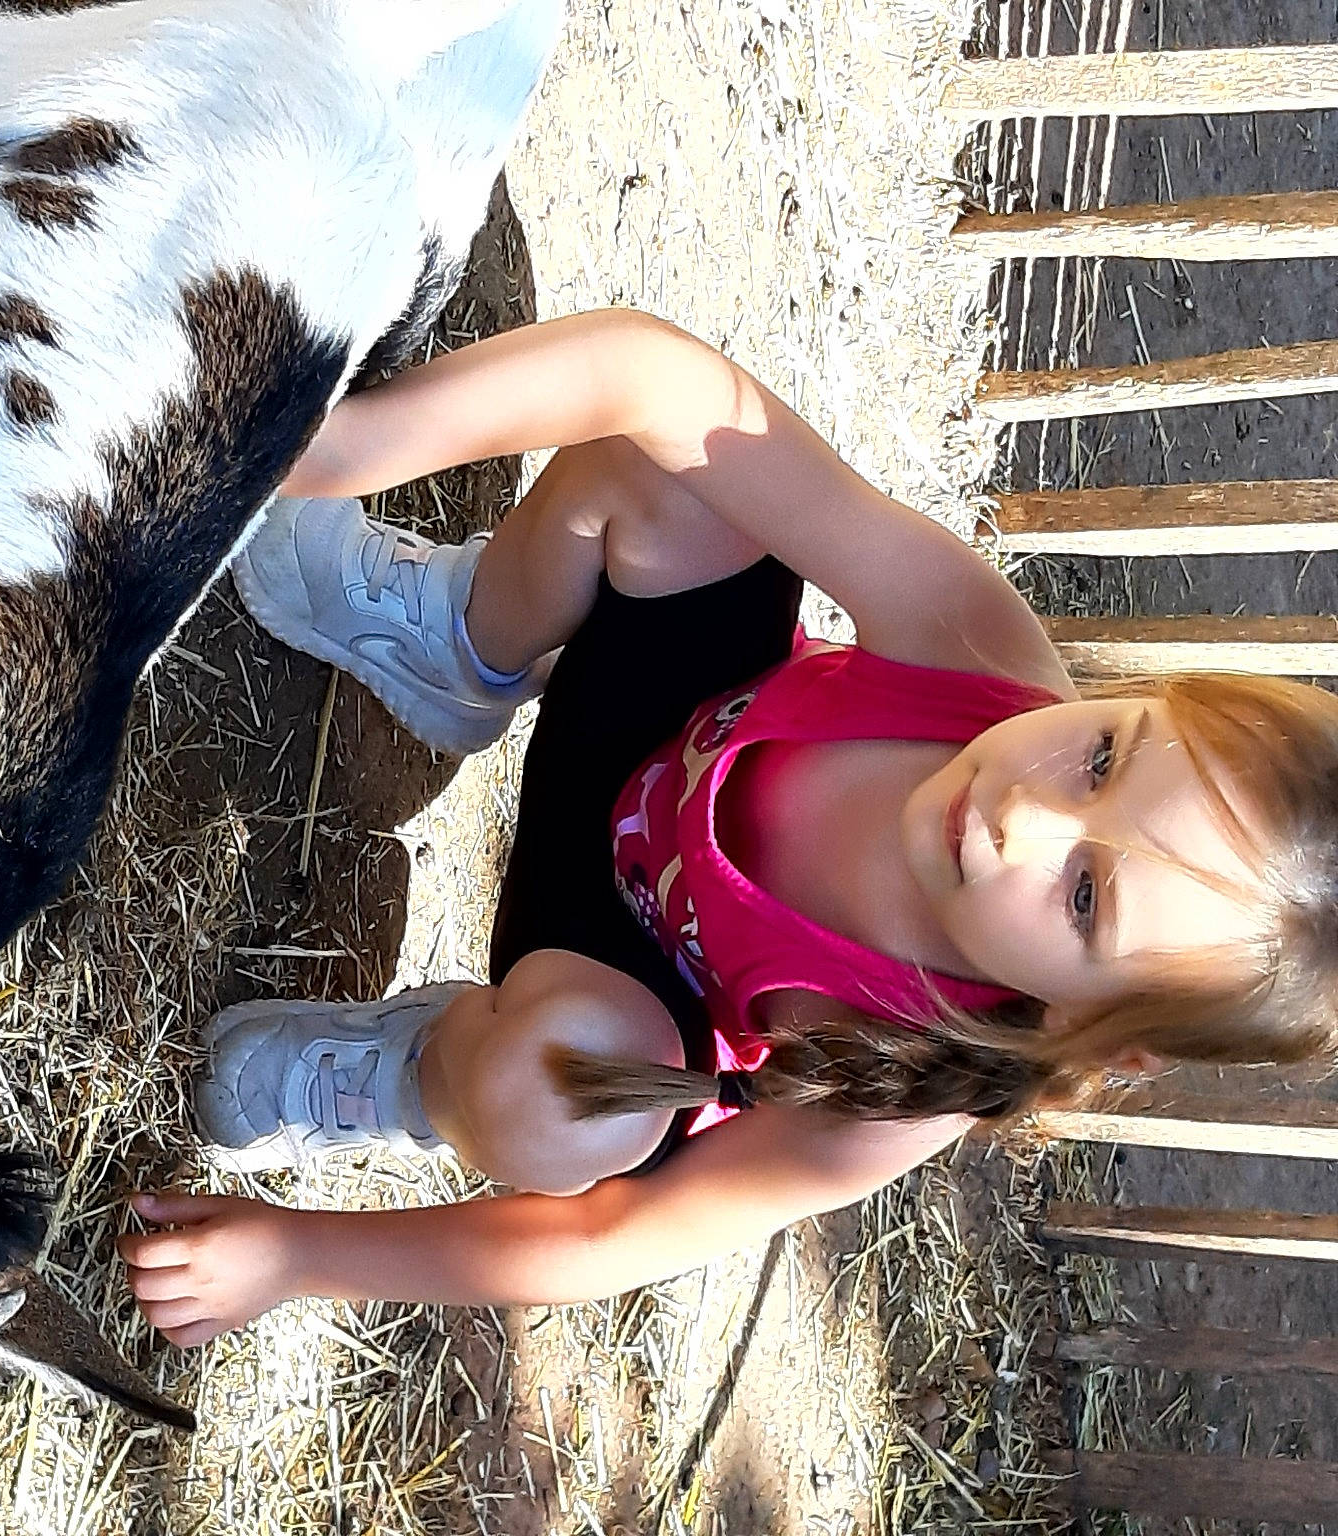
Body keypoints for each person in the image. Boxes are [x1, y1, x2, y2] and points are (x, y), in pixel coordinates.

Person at [118, 308, 1338, 1348]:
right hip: (644, 721)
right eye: (1103, 754)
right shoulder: (979, 654)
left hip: (599, 966)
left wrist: (298, 1259)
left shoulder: (913, 1087)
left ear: (1095, 1032)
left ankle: (424, 1068)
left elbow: (609, 1236)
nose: (1022, 810)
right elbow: (659, 380)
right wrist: (342, 441)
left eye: (1083, 898)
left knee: (556, 1100)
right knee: (672, 479)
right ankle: (458, 641)